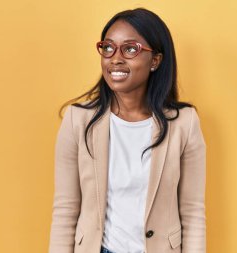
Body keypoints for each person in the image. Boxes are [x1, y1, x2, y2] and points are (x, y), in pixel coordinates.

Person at [48, 7, 206, 253]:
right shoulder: (77, 120)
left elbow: (192, 213)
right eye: (108, 47)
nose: (115, 58)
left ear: (155, 60)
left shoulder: (184, 123)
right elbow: (66, 210)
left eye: (130, 49)